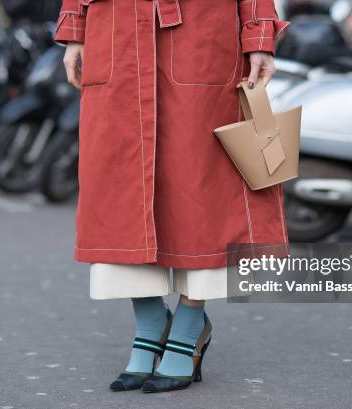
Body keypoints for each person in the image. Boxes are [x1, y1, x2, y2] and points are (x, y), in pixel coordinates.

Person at [55, 0, 289, 393]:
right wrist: (74, 28)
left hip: (200, 32)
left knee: (203, 188)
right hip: (115, 29)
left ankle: (190, 322)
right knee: (117, 189)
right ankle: (150, 322)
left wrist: (260, 34)